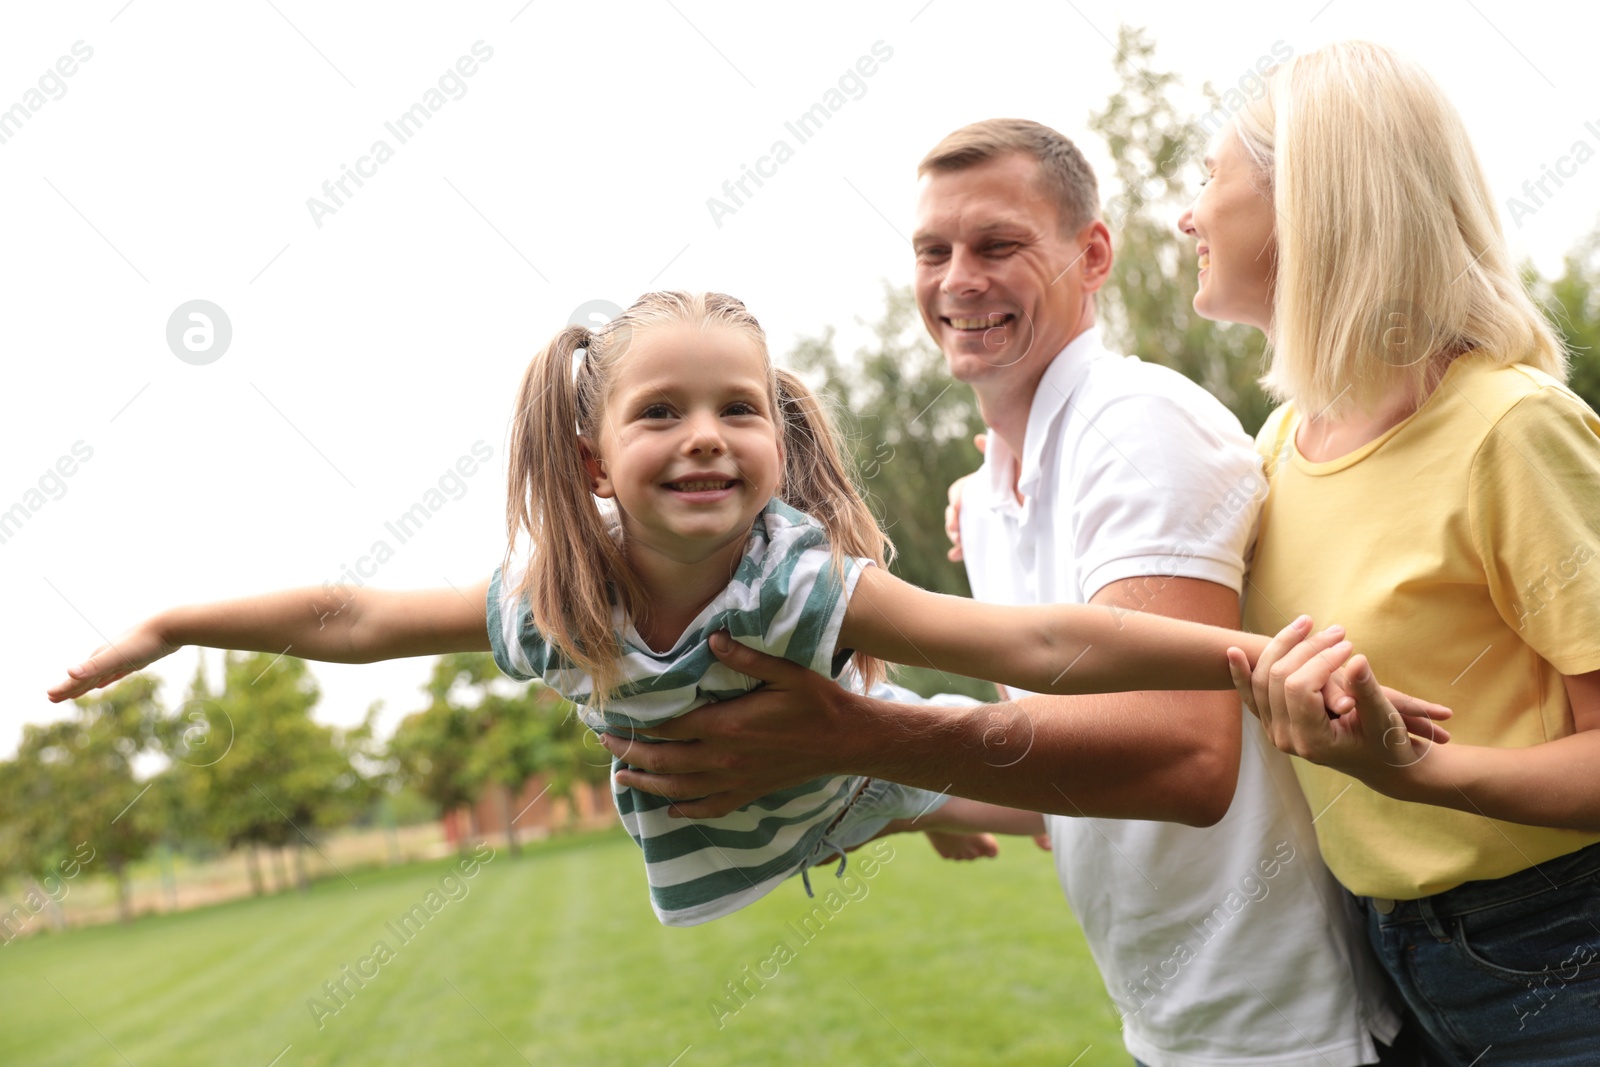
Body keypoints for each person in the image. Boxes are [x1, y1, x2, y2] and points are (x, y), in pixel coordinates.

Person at [51, 289, 1319, 928]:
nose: (705, 439)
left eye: (739, 410)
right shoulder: (559, 599)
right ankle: (901, 809)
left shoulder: (802, 579)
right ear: (595, 461)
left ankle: (919, 810)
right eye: (661, 412)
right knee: (880, 793)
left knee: (948, 781)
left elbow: (1045, 642)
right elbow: (353, 618)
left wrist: (1247, 651)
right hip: (782, 799)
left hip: (836, 779)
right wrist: (174, 624)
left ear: (776, 438)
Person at [596, 126, 1443, 1064]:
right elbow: (1073, 784)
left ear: (1092, 255)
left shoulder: (1134, 426)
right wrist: (879, 793)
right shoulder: (994, 490)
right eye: (933, 251)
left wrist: (858, 735)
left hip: (1297, 1027)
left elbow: (1183, 761)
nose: (959, 280)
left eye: (998, 246)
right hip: (1182, 1027)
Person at [1176, 41, 1600, 1063]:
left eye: (1209, 177)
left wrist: (1421, 772)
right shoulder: (1283, 444)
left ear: (1310, 201)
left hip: (1558, 942)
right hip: (1386, 951)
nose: (1188, 213)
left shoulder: (1511, 429)